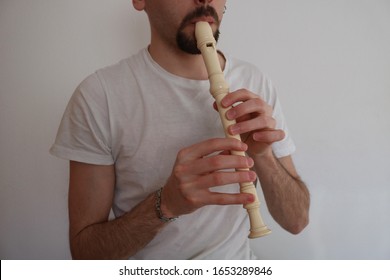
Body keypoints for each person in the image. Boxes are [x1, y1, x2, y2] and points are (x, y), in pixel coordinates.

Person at [50, 0, 310, 260]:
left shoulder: (254, 80)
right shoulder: (100, 96)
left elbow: (297, 220)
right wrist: (166, 204)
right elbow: (85, 255)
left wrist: (263, 157)